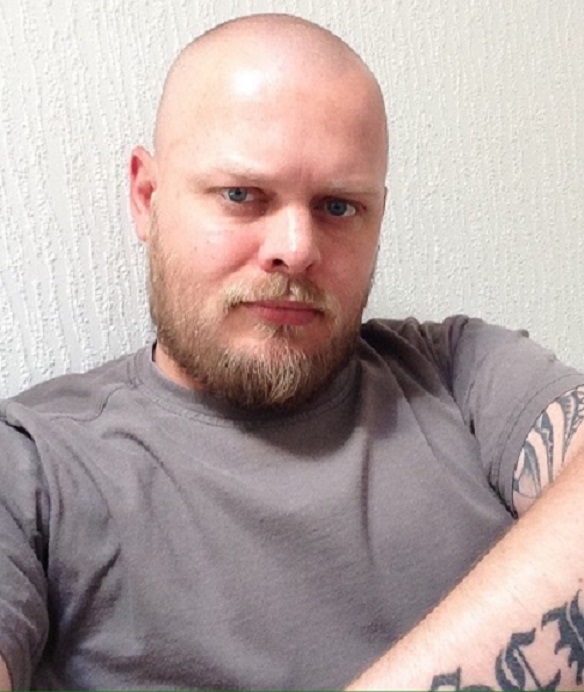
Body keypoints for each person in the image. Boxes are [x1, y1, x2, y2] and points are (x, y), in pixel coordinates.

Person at [0, 12, 583, 691]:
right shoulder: (32, 465)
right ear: (146, 198)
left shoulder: (461, 373)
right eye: (241, 195)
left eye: (338, 207)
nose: (297, 249)